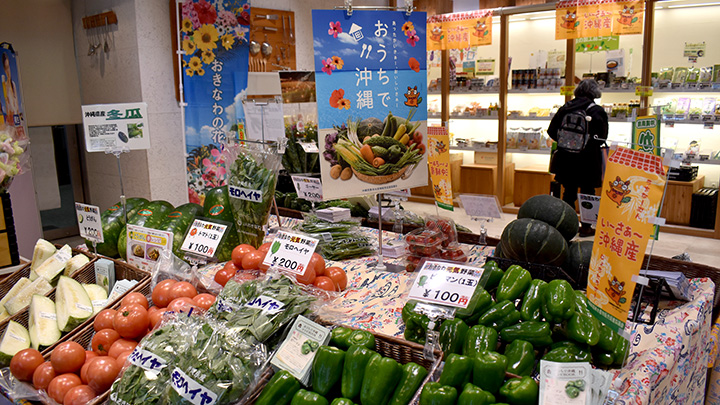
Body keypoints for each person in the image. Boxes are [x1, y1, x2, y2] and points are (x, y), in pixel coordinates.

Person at [548, 79, 608, 237]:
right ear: (595, 92)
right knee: (588, 193)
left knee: (568, 192)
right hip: (588, 161)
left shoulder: (566, 107)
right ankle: (586, 227)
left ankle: (566, 225)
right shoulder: (596, 111)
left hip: (566, 159)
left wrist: (567, 143)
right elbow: (602, 137)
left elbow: (551, 131)